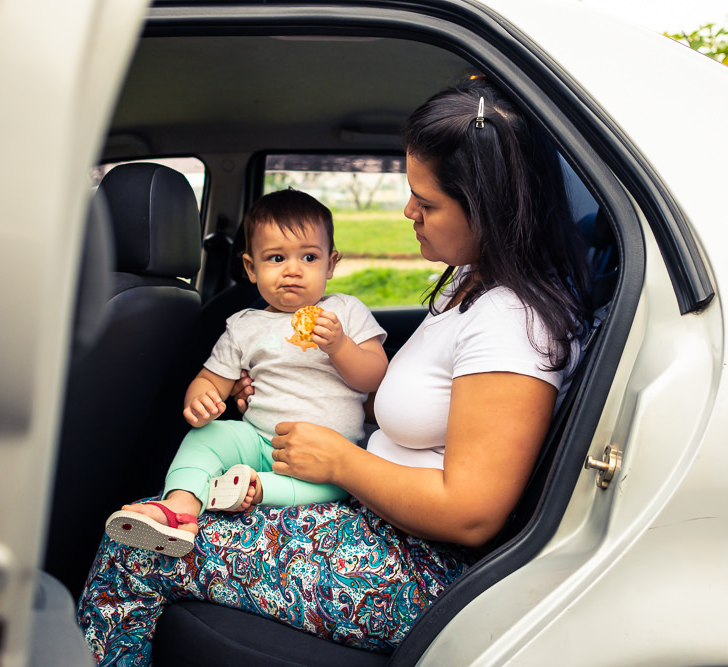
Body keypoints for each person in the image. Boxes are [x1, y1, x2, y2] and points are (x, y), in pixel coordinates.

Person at [78, 77, 592, 663]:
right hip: (377, 521)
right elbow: (418, 410)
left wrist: (343, 461)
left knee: (135, 550)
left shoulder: (511, 321)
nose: (407, 211)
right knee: (148, 521)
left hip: (410, 566)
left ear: (491, 211)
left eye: (426, 203)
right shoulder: (469, 290)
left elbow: (472, 514)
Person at [103, 188, 388, 558]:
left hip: (327, 455)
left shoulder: (345, 312)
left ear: (331, 264)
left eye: (309, 257)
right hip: (256, 441)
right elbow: (212, 379)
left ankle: (257, 488)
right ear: (251, 268)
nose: (292, 269)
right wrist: (200, 400)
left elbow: (373, 378)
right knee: (210, 434)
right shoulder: (243, 325)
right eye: (275, 258)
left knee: (338, 485)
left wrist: (340, 346)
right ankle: (178, 506)